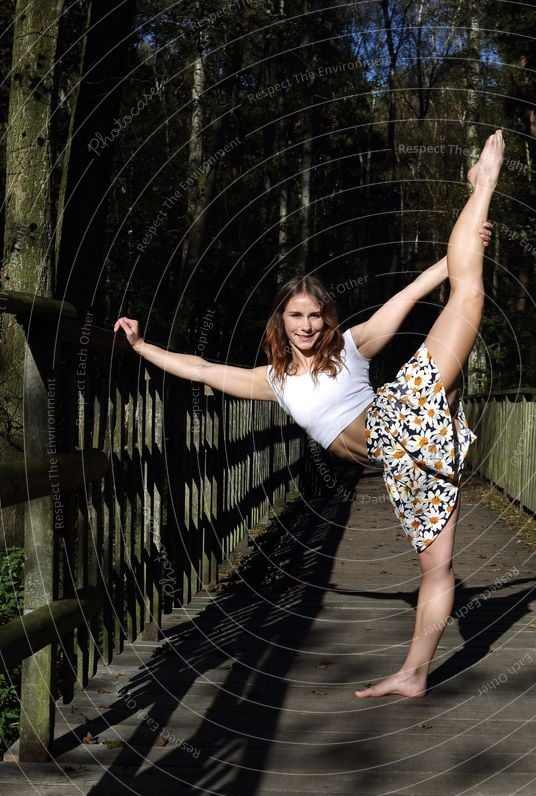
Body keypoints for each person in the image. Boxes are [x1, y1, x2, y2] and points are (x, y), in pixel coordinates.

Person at [114, 129, 505, 698]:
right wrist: (142, 346)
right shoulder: (272, 381)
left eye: (316, 315)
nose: (307, 325)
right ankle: (413, 675)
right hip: (405, 464)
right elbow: (201, 368)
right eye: (297, 315)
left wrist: (455, 257)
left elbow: (408, 296)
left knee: (467, 295)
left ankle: (483, 185)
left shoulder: (349, 346)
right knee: (436, 569)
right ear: (282, 319)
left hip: (402, 417)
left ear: (327, 318)